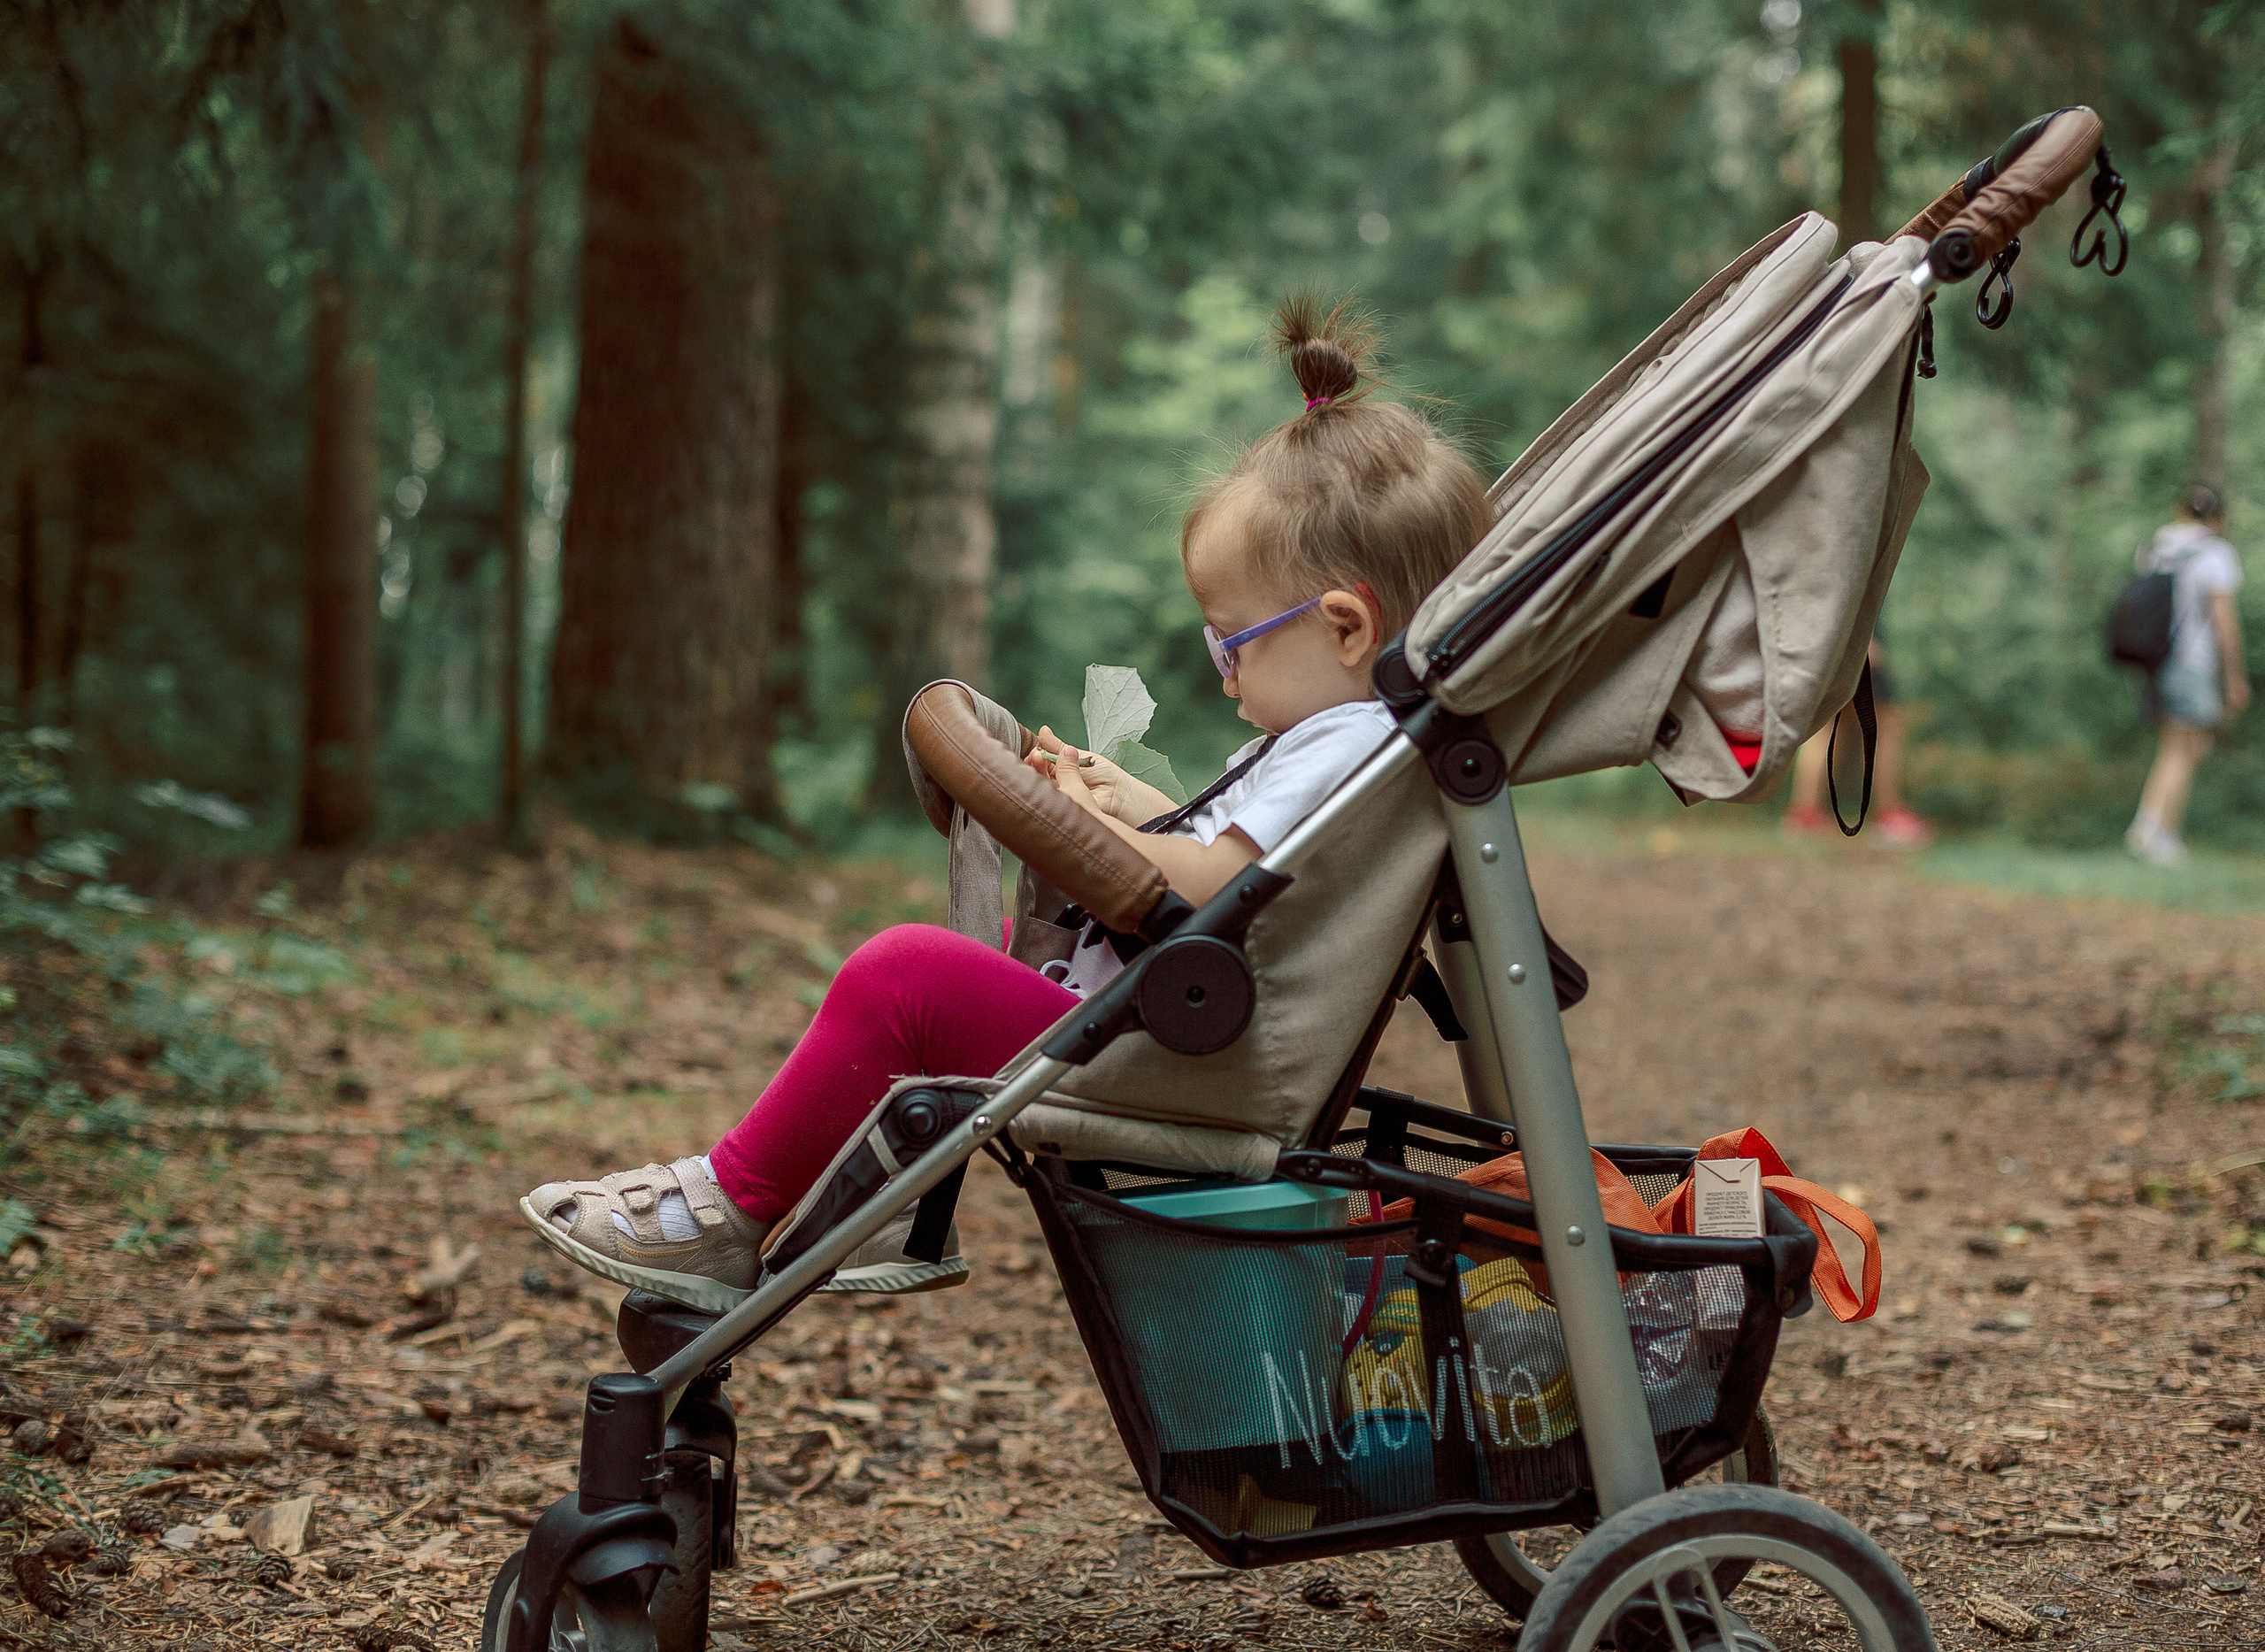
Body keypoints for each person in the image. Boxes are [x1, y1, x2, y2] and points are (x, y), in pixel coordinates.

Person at [519, 296, 1494, 1314]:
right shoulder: (1351, 742)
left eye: (1230, 642)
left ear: (1342, 626)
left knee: (906, 977)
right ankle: (875, 1195)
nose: (1223, 674)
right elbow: (1253, 862)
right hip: (1164, 1016)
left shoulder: (1349, 739)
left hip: (1176, 1047)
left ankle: (731, 1206)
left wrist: (1096, 832)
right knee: (938, 976)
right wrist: (1119, 800)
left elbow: (1213, 883)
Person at [2125, 484, 2249, 865]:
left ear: (2180, 511)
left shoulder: (2157, 546)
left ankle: (2147, 827)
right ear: (2218, 518)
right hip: (2193, 661)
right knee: (2185, 746)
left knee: (2180, 745)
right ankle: (2160, 835)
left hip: (2156, 658)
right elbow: (2223, 620)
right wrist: (2234, 677)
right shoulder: (2216, 552)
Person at [1780, 628, 1935, 846]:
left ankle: (1805, 815)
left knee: (1833, 721)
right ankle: (1889, 814)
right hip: (1852, 639)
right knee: (1884, 722)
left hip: (1828, 642)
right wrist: (1864, 639)